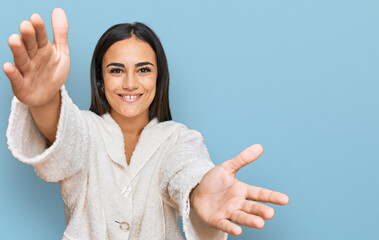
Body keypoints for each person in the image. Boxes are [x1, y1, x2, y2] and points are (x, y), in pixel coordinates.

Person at [4, 8, 289, 240]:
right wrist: (43, 101)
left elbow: (184, 169)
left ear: (157, 78)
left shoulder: (180, 139)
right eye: (117, 70)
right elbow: (66, 140)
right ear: (101, 82)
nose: (130, 83)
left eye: (143, 70)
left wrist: (199, 191)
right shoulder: (86, 130)